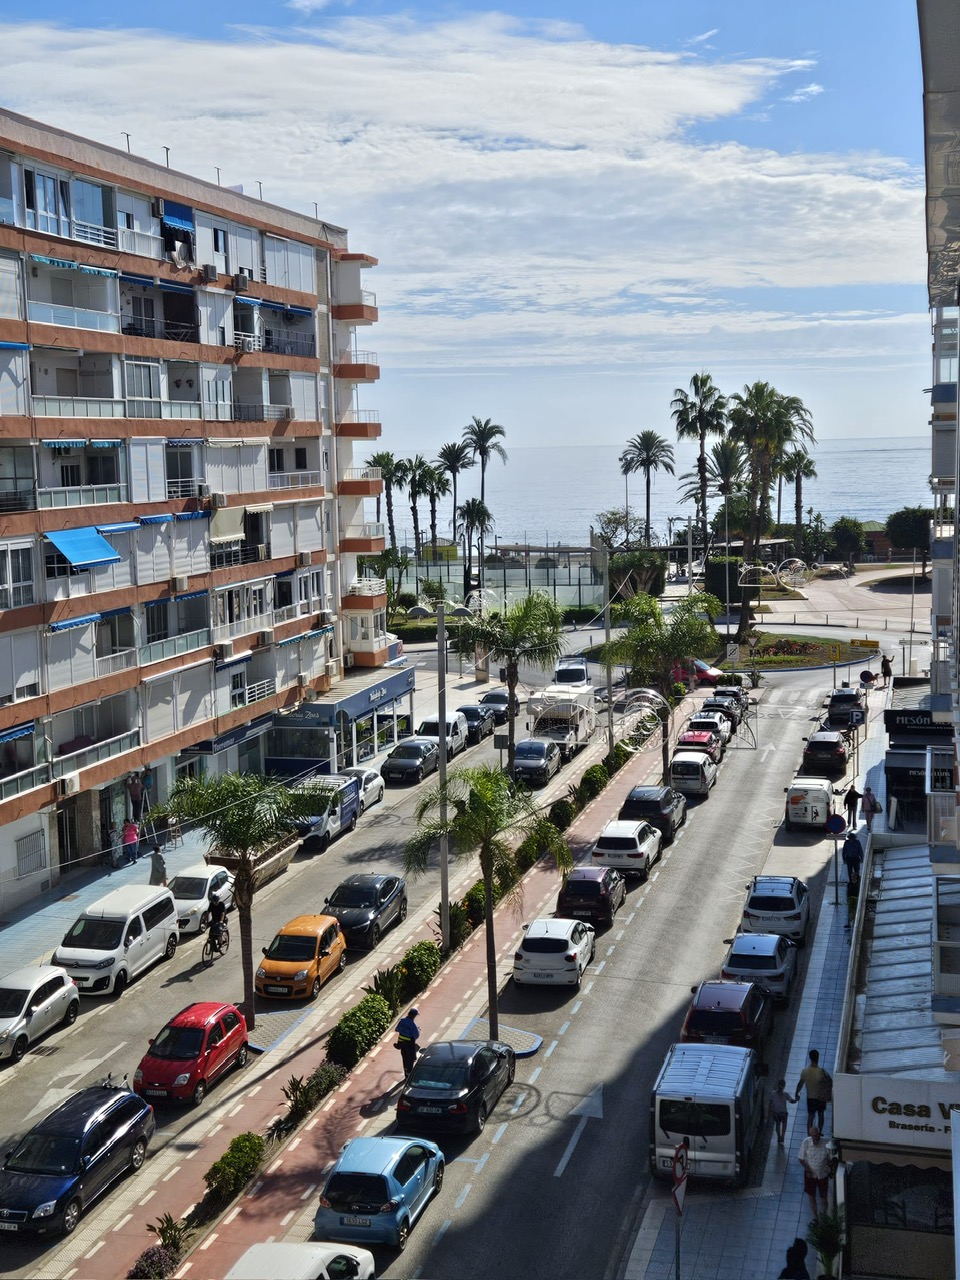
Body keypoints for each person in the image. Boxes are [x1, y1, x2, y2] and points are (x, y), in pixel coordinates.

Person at [798, 1124, 832, 1219]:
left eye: (817, 1135)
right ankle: (815, 1217)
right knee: (811, 1196)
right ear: (810, 1135)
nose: (815, 1137)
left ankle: (824, 1215)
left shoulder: (826, 1142)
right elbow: (801, 1158)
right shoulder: (806, 1142)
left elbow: (831, 1158)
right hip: (810, 1175)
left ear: (819, 1134)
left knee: (823, 1198)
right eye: (813, 1136)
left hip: (822, 1175)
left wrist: (830, 1166)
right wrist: (807, 1169)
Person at [795, 1049, 832, 1133]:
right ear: (818, 1058)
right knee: (821, 1115)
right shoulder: (822, 1072)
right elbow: (830, 1082)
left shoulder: (805, 1072)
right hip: (821, 1098)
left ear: (810, 1058)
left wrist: (796, 1094)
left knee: (811, 1117)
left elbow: (800, 1084)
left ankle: (809, 1134)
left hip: (810, 1098)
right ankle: (820, 1131)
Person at [396, 1007, 421, 1078]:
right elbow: (416, 1035)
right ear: (414, 1015)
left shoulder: (402, 1020)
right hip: (409, 1044)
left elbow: (397, 1029)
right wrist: (418, 1030)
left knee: (405, 1057)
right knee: (411, 1058)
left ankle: (406, 1072)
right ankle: (409, 1073)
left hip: (401, 1043)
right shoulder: (413, 1025)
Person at [770, 1078, 796, 1146]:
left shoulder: (773, 1094)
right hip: (783, 1112)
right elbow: (791, 1100)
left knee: (777, 1125)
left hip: (776, 1112)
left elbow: (771, 1103)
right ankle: (782, 1136)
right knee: (784, 1125)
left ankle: (779, 1136)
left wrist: (771, 1111)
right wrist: (795, 1100)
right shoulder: (785, 1094)